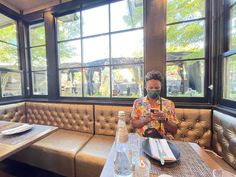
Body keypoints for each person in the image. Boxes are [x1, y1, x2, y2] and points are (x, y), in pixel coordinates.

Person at [131, 70, 178, 139]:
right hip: (141, 140)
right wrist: (143, 121)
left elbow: (174, 130)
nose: (154, 90)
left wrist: (164, 120)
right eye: (151, 87)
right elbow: (133, 124)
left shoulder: (169, 104)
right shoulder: (138, 103)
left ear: (161, 88)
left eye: (157, 88)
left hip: (162, 140)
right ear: (146, 88)